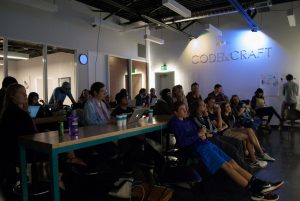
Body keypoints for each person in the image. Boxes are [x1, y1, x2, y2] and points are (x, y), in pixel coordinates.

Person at [168, 102, 283, 201]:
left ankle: (258, 183)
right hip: (200, 149)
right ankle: (254, 190)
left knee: (232, 162)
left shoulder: (187, 121)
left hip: (206, 143)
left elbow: (197, 133)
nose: (185, 110)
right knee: (227, 166)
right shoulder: (175, 123)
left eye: (185, 108)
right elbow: (182, 142)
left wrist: (203, 134)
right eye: (182, 109)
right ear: (175, 112)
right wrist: (198, 135)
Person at [205, 97, 267, 168]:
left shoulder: (215, 112)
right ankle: (256, 157)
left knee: (249, 130)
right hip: (223, 133)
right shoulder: (210, 114)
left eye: (214, 102)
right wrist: (219, 113)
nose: (214, 103)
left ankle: (257, 155)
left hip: (228, 129)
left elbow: (226, 125)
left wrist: (223, 124)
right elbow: (219, 127)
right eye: (211, 102)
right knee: (247, 136)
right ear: (207, 104)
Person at [190, 100, 251, 172]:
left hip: (215, 135)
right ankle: (245, 170)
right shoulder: (195, 118)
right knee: (232, 149)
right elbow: (210, 130)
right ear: (197, 108)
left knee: (238, 142)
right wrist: (207, 118)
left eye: (205, 105)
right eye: (203, 105)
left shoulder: (204, 116)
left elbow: (213, 129)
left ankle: (242, 166)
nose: (205, 106)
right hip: (210, 139)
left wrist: (207, 119)